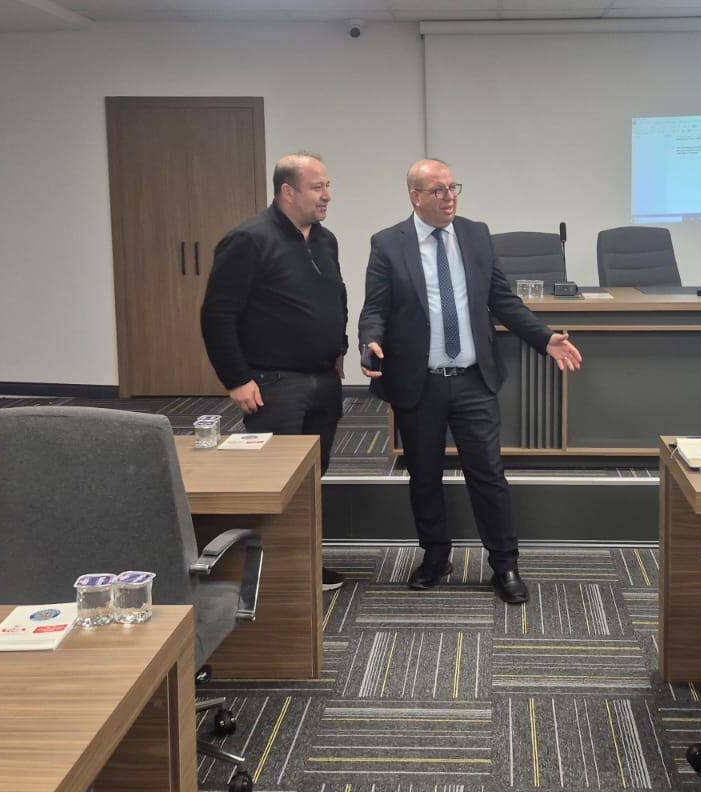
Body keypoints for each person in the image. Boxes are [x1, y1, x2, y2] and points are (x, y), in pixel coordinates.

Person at [359, 159, 582, 605]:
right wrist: (370, 340)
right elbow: (375, 307)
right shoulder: (387, 243)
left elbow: (503, 300)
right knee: (424, 476)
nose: (449, 197)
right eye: (438, 190)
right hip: (418, 383)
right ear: (415, 196)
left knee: (488, 475)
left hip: (472, 381)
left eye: (453, 187)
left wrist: (543, 338)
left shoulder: (476, 235)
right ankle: (435, 558)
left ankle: (505, 565)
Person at [200, 152, 348, 591]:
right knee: (274, 482)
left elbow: (333, 300)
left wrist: (338, 349)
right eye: (317, 187)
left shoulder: (325, 240)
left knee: (311, 478)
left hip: (323, 381)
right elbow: (217, 315)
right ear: (287, 191)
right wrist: (236, 379)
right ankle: (272, 578)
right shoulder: (249, 240)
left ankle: (304, 566)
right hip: (273, 384)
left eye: (327, 185)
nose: (327, 195)